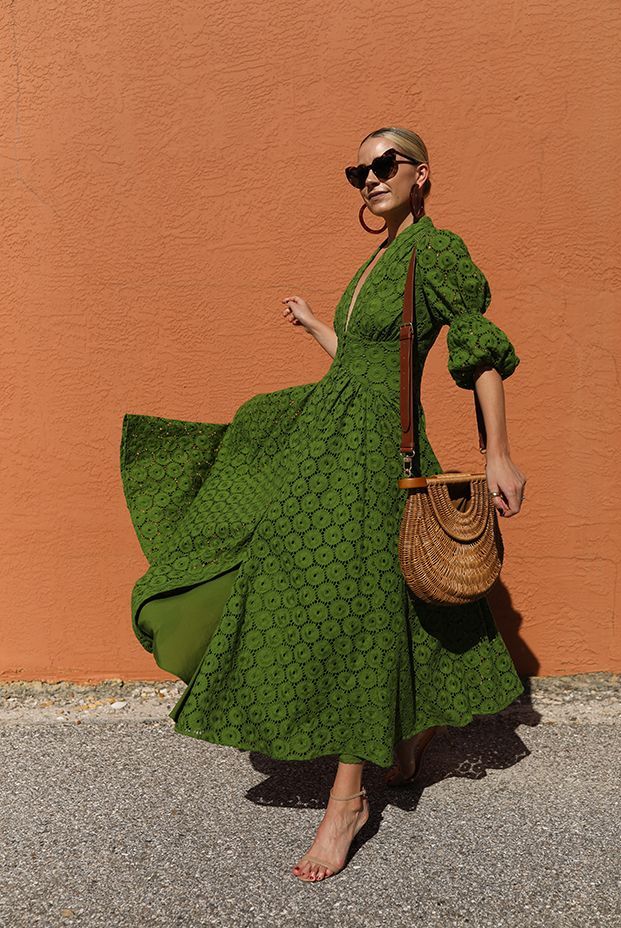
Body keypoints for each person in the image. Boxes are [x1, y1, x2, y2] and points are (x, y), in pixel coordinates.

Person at [119, 125, 527, 883]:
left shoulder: (436, 251)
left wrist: (497, 451)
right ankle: (406, 734)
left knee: (362, 605)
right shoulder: (377, 259)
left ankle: (347, 802)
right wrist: (318, 330)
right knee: (327, 582)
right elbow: (371, 363)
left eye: (384, 165)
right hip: (325, 443)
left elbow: (479, 351)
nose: (370, 179)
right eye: (358, 170)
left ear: (421, 174)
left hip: (376, 454)